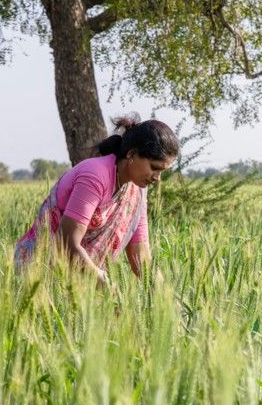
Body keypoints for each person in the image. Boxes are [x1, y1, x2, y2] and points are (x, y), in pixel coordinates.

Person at [14, 115, 179, 281]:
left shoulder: (137, 191)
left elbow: (140, 253)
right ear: (132, 154)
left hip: (82, 279)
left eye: (161, 172)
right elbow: (66, 242)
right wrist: (104, 284)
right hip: (38, 272)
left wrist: (165, 296)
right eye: (154, 168)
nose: (157, 178)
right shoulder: (95, 175)